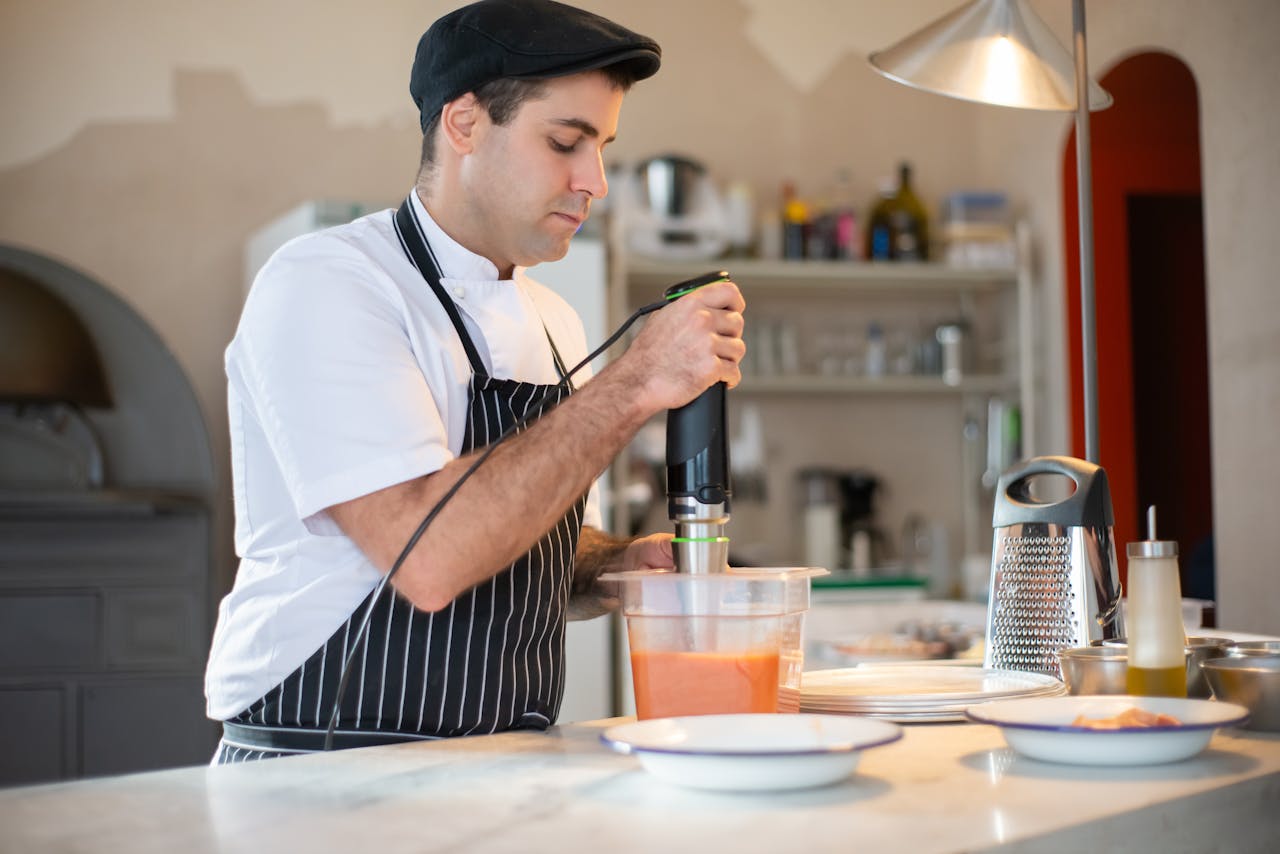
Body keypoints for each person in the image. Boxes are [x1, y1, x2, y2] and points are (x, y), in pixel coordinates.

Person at [204, 0, 745, 762]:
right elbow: (428, 560)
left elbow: (515, 537)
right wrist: (634, 384)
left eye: (604, 147)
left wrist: (609, 566)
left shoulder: (555, 319)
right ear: (462, 125)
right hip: (323, 769)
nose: (595, 182)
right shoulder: (330, 284)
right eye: (566, 142)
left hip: (500, 762)